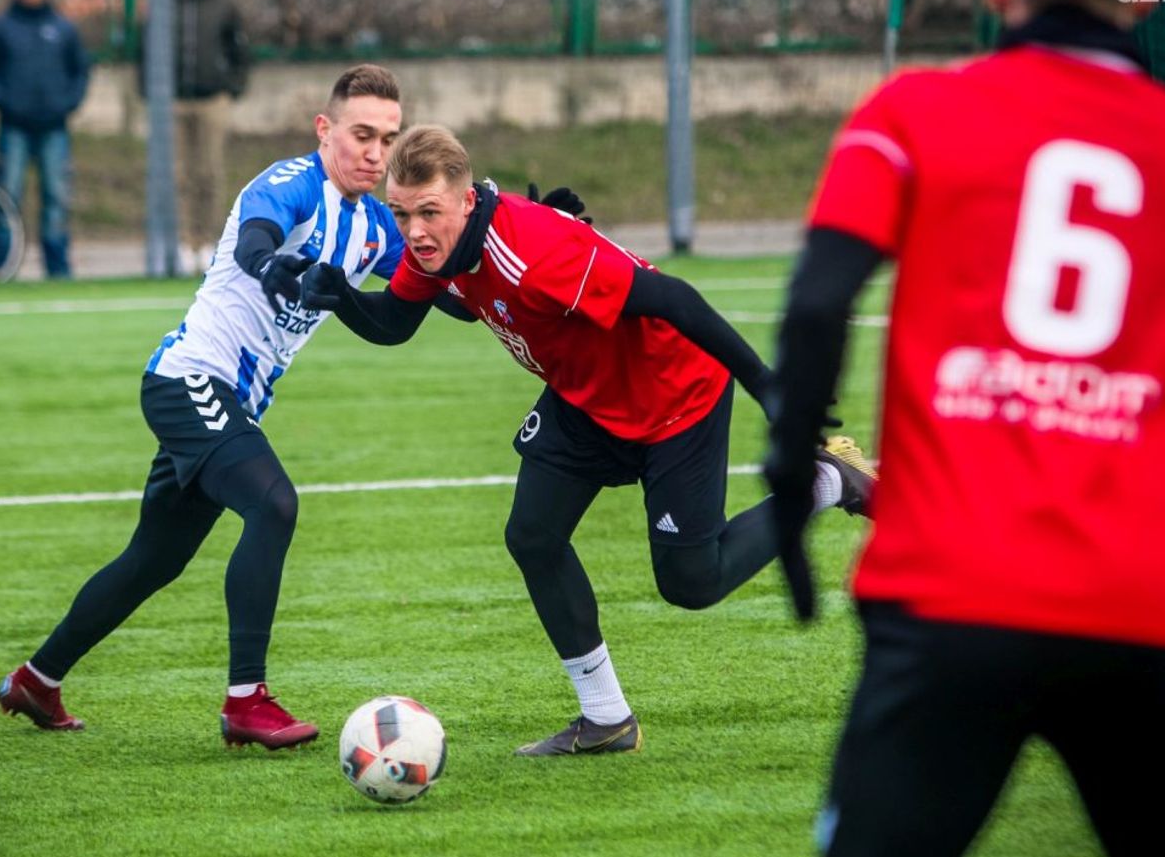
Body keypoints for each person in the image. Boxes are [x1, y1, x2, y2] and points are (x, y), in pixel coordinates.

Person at [762, 0, 1165, 857]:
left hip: (947, 596)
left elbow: (818, 305)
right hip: (1139, 609)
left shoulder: (912, 113)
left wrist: (788, 493)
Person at [0, 66, 580, 747]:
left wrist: (523, 236)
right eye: (362, 135)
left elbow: (451, 291)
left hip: (228, 401)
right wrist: (271, 264)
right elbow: (256, 239)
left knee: (154, 558)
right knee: (273, 504)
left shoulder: (376, 223)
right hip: (190, 382)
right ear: (325, 130)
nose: (376, 153)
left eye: (388, 139)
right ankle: (247, 701)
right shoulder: (292, 183)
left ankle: (37, 679)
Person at [299, 124, 877, 756]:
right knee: (533, 535)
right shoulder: (439, 246)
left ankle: (828, 481)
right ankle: (606, 719)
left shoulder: (535, 254)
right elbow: (396, 322)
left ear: (465, 200)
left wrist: (770, 389)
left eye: (428, 212)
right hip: (583, 401)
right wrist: (341, 298)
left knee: (692, 582)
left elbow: (674, 299)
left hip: (673, 395)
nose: (414, 231)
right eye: (401, 213)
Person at [0, 0, 90, 280]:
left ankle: (58, 267)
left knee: (56, 197)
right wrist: (6, 103)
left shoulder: (63, 28)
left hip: (54, 126)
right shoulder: (1, 27)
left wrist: (67, 104)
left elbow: (80, 70)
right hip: (14, 126)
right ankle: (4, 265)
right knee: (7, 195)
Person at [160, 0, 251, 269]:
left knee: (209, 172)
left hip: (212, 100)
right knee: (181, 175)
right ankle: (186, 242)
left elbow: (240, 49)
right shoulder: (165, 6)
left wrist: (233, 86)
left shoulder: (222, 6)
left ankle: (210, 239)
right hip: (175, 102)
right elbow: (147, 49)